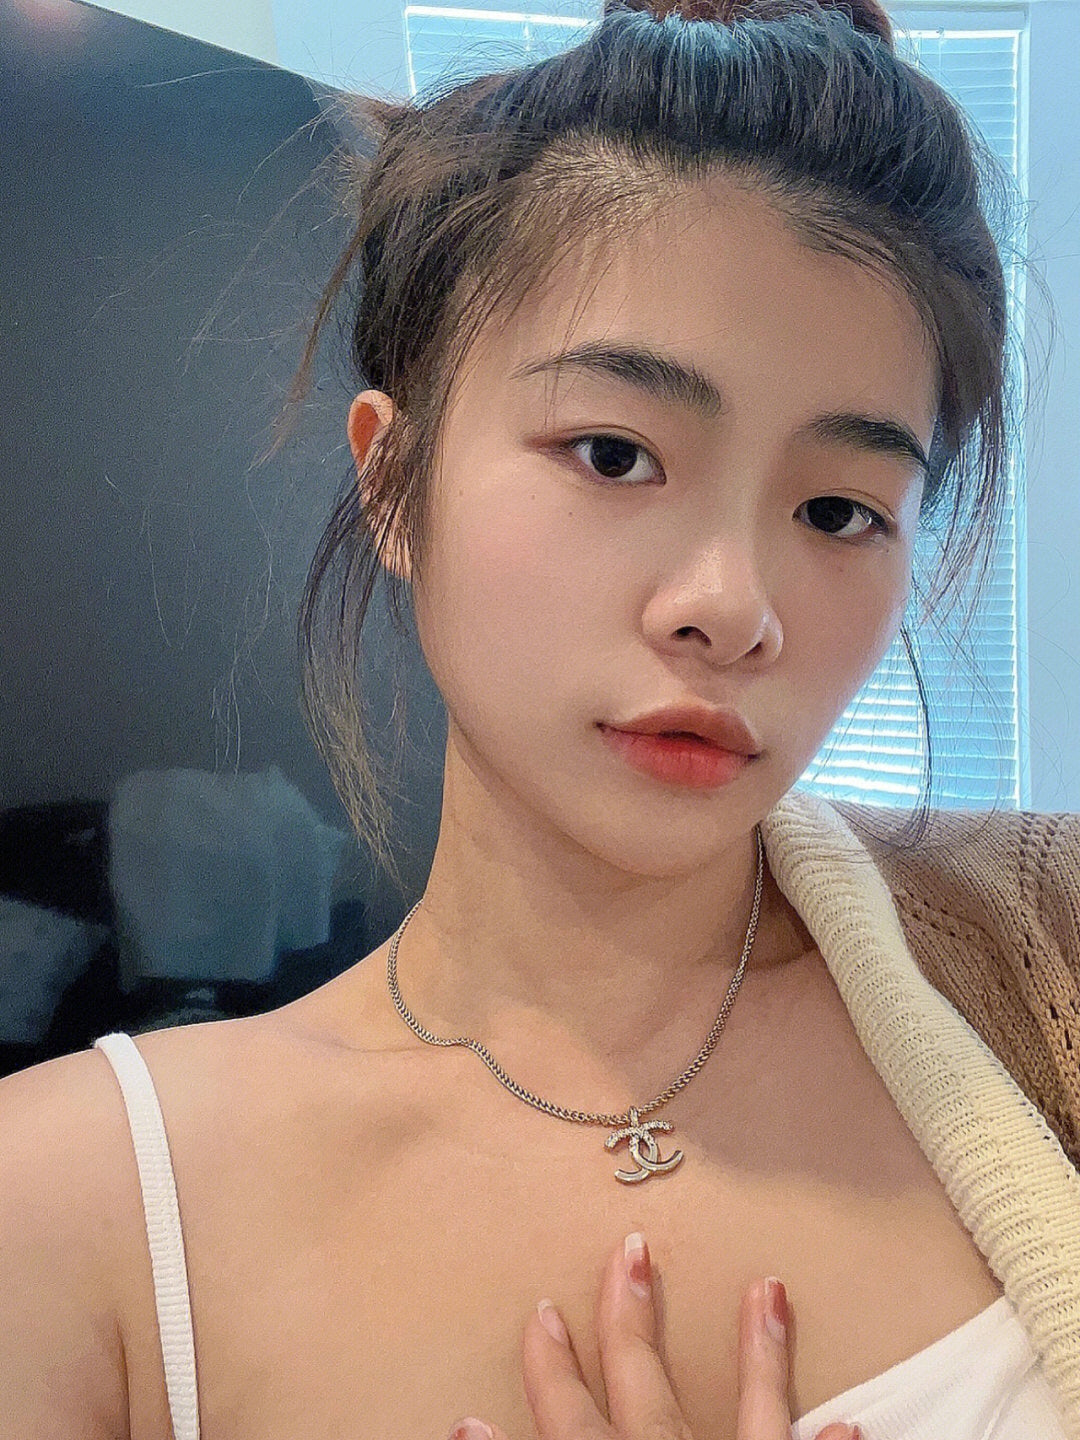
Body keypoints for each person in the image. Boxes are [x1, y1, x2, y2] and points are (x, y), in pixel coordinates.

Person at [2, 0, 1079, 1436]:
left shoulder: (1042, 960)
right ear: (393, 482)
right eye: (614, 453)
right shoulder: (73, 1213)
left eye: (839, 510)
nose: (732, 607)